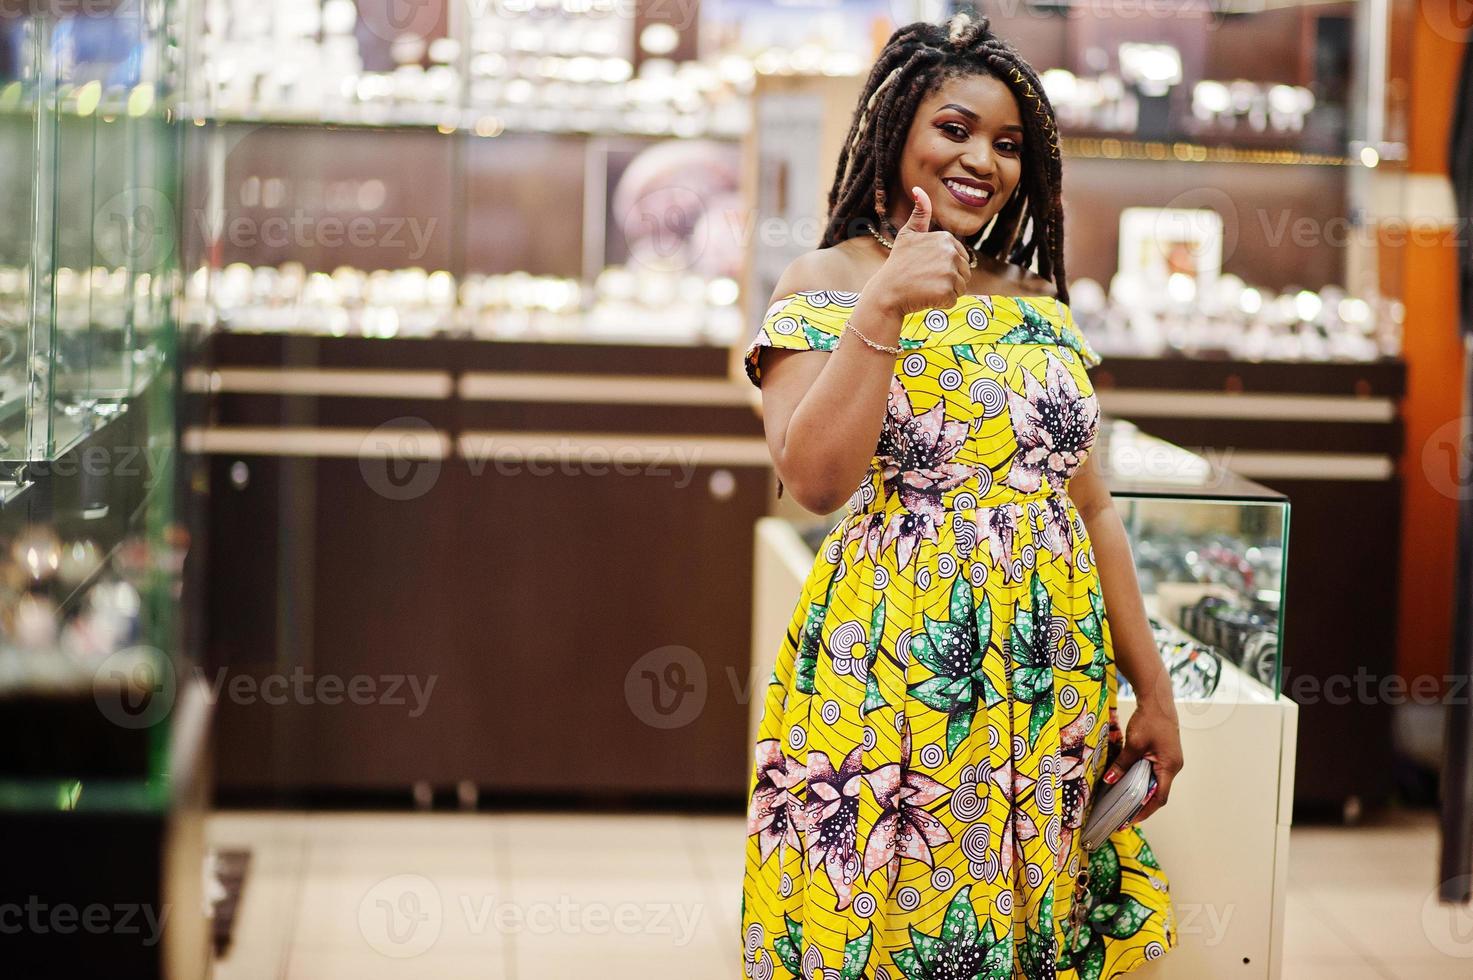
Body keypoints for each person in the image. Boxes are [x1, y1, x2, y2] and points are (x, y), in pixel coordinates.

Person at [739, 14, 1183, 979]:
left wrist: (1151, 690)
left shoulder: (1036, 301)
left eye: (1008, 143)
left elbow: (1092, 506)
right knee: (892, 907)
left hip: (1044, 672)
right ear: (895, 130)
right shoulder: (825, 282)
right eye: (953, 128)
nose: (982, 158)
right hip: (895, 665)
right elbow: (812, 481)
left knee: (1018, 920)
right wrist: (885, 304)